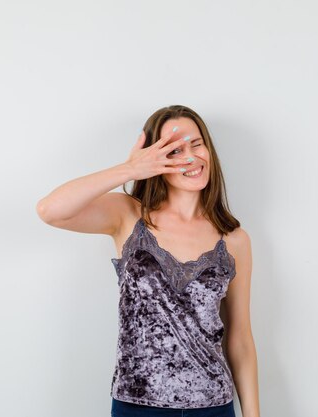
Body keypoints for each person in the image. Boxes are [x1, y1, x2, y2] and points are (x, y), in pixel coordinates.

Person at [36, 105, 260, 417]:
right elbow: (51, 210)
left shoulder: (234, 239)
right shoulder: (128, 216)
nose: (191, 157)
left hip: (212, 407)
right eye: (174, 150)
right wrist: (129, 170)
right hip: (136, 406)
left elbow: (240, 339)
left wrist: (253, 415)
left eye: (197, 144)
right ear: (155, 160)